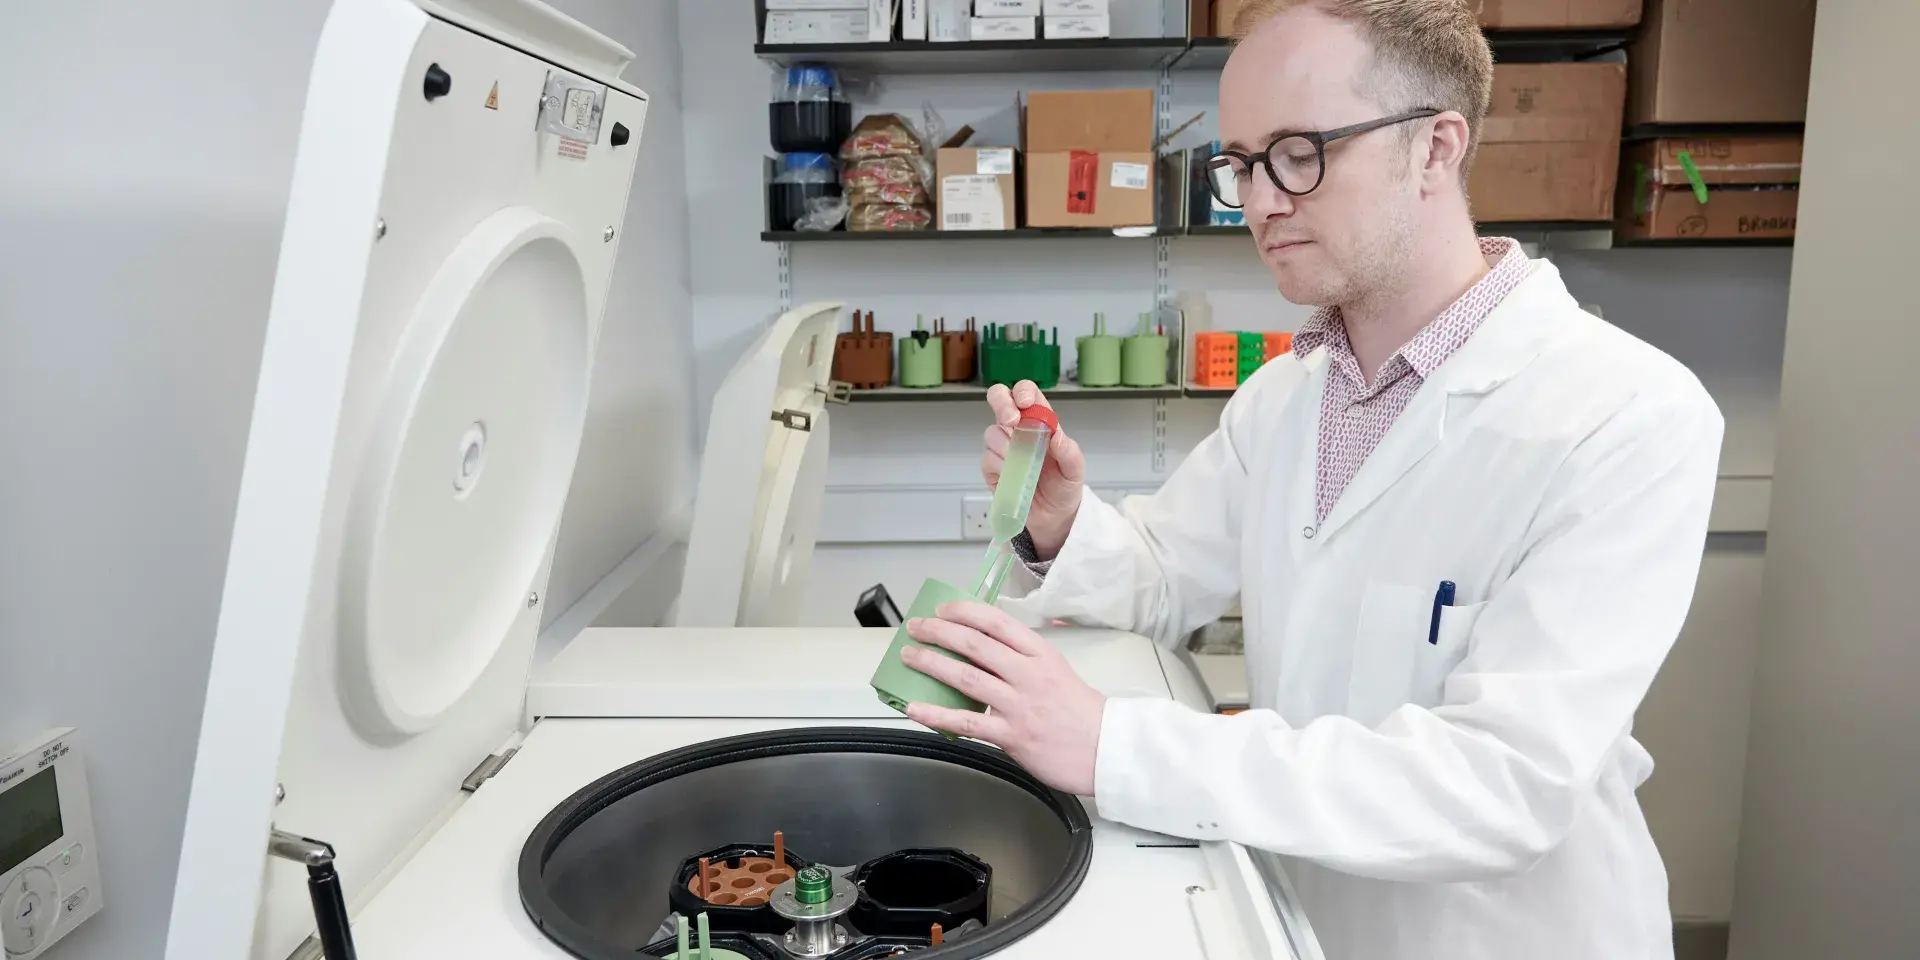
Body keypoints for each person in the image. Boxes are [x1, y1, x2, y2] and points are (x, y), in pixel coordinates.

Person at [893, 1, 1725, 957]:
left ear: (1435, 148)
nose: (1258, 202)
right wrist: (1062, 522)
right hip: (1295, 917)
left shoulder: (1626, 414)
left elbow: (1506, 786)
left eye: (1299, 152)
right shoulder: (1287, 395)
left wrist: (1116, 745)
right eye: (1241, 163)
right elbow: (1166, 577)